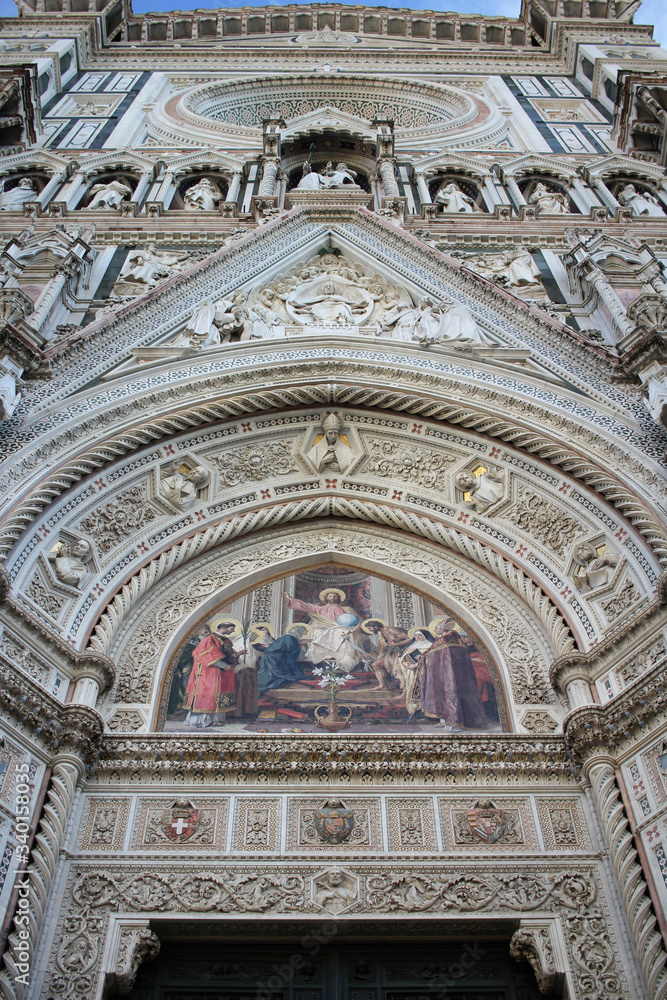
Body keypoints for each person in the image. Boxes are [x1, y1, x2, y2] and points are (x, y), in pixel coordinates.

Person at [418, 619, 487, 731]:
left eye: (436, 628)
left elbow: (430, 655)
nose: (435, 630)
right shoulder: (457, 639)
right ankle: (451, 721)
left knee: (449, 694)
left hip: (445, 674)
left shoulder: (443, 640)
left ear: (442, 629)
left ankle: (453, 722)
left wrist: (422, 658)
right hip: (459, 675)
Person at [283, 586, 361, 670]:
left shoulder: (345, 609)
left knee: (344, 632)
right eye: (330, 596)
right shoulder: (319, 608)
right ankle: (324, 656)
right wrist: (290, 598)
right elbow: (305, 606)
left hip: (338, 626)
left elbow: (354, 619)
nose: (332, 598)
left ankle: (345, 658)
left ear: (338, 598)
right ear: (326, 598)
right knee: (316, 632)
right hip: (321, 626)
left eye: (335, 596)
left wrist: (354, 617)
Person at [183, 621, 239, 727]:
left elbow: (228, 653)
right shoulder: (210, 639)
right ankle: (201, 721)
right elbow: (208, 655)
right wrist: (223, 665)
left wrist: (235, 657)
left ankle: (215, 719)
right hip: (209, 672)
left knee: (217, 696)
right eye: (231, 629)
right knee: (206, 695)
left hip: (221, 674)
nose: (233, 631)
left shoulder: (225, 640)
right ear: (223, 628)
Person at [362, 620, 412, 691]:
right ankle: (382, 685)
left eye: (370, 628)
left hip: (399, 652)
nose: (370, 630)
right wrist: (369, 654)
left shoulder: (391, 630)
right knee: (375, 665)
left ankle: (404, 690)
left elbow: (409, 638)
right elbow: (383, 647)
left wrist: (396, 644)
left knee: (397, 670)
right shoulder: (382, 633)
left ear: (375, 627)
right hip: (390, 653)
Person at [256, 626, 309, 692]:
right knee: (276, 674)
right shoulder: (290, 638)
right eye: (304, 630)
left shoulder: (290, 637)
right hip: (274, 657)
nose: (306, 631)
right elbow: (292, 650)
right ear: (299, 631)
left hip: (273, 656)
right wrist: (301, 644)